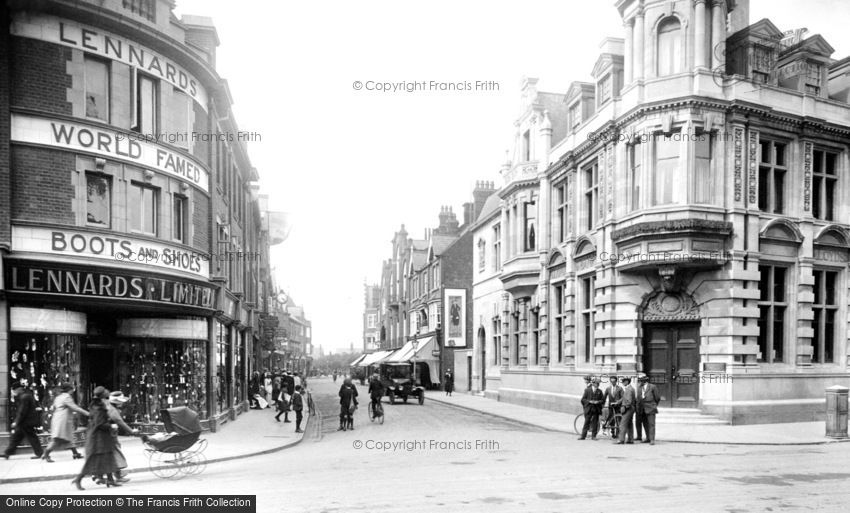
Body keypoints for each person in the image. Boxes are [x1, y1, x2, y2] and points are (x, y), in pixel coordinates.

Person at [72, 387, 119, 490]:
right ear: (102, 394)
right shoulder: (98, 407)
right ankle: (78, 479)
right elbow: (99, 423)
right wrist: (111, 426)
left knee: (108, 457)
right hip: (98, 438)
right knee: (92, 461)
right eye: (105, 390)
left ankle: (110, 480)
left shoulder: (98, 404)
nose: (108, 391)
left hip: (101, 437)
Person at [43, 383, 88, 462]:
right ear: (69, 390)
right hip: (62, 421)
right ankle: (46, 453)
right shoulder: (66, 397)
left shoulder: (58, 397)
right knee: (58, 439)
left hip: (58, 419)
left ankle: (75, 453)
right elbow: (75, 408)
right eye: (71, 389)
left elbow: (54, 408)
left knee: (68, 437)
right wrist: (87, 413)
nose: (72, 391)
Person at [104, 391, 139, 484]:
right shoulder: (113, 410)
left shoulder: (109, 407)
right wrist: (131, 431)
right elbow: (120, 422)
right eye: (121, 401)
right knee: (115, 454)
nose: (122, 403)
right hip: (109, 435)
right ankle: (114, 476)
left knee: (114, 454)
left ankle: (116, 475)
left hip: (110, 434)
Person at [2, 384, 44, 460]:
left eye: (15, 390)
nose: (14, 392)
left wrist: (16, 422)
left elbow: (22, 411)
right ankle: (7, 453)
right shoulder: (25, 396)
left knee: (31, 437)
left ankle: (40, 453)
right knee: (17, 438)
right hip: (25, 422)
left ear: (19, 389)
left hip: (26, 422)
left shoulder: (24, 397)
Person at [636, 373, 661, 445]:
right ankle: (648, 438)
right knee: (645, 424)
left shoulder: (653, 387)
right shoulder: (639, 388)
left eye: (641, 380)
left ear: (645, 380)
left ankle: (652, 439)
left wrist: (653, 405)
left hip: (651, 407)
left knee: (651, 424)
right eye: (639, 380)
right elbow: (638, 398)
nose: (640, 382)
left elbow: (657, 398)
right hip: (642, 408)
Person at [616, 376, 636, 445]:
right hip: (631, 408)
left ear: (627, 381)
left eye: (623, 382)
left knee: (622, 424)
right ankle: (630, 439)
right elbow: (625, 398)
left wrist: (624, 407)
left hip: (628, 408)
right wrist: (618, 402)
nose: (622, 383)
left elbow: (629, 401)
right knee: (629, 424)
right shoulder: (630, 388)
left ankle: (621, 440)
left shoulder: (629, 389)